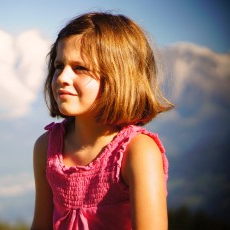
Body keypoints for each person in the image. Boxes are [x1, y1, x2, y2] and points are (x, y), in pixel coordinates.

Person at [31, 12, 174, 230]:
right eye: (59, 66)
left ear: (117, 77)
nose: (62, 77)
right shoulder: (47, 147)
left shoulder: (137, 152)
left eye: (80, 68)